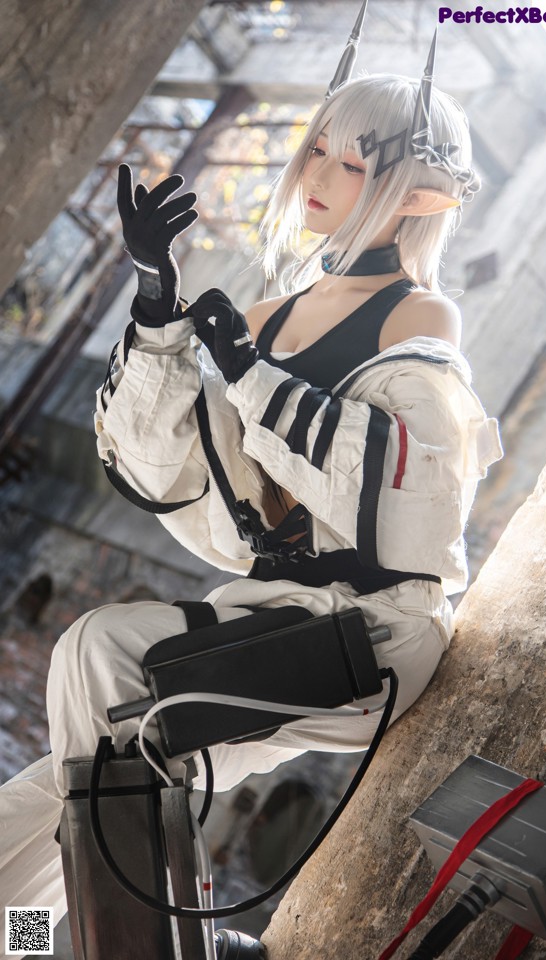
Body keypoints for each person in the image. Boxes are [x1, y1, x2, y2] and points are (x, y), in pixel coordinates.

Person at [0, 10, 502, 952]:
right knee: (61, 784)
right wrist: (156, 303)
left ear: (420, 198)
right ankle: (29, 941)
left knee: (103, 656)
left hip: (370, 640)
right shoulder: (272, 312)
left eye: (350, 163)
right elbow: (173, 475)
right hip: (271, 622)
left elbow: (401, 506)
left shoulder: (417, 315)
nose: (314, 175)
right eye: (314, 149)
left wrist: (248, 369)